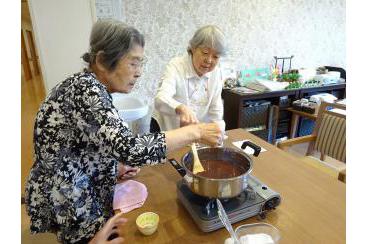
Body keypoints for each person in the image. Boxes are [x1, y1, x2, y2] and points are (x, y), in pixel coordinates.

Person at [25, 19, 222, 243]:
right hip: (69, 195)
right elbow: (129, 148)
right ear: (101, 61)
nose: (139, 73)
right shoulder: (85, 90)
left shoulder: (89, 85)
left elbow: (89, 143)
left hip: (79, 181)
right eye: (133, 63)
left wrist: (114, 166)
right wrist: (195, 132)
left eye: (141, 63)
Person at [154, 25, 227, 132]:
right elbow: (160, 99)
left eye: (215, 57)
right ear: (193, 48)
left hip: (197, 134)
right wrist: (180, 108)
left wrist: (218, 131)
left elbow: (216, 111)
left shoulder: (216, 73)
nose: (209, 60)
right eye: (205, 53)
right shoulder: (176, 66)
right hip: (170, 131)